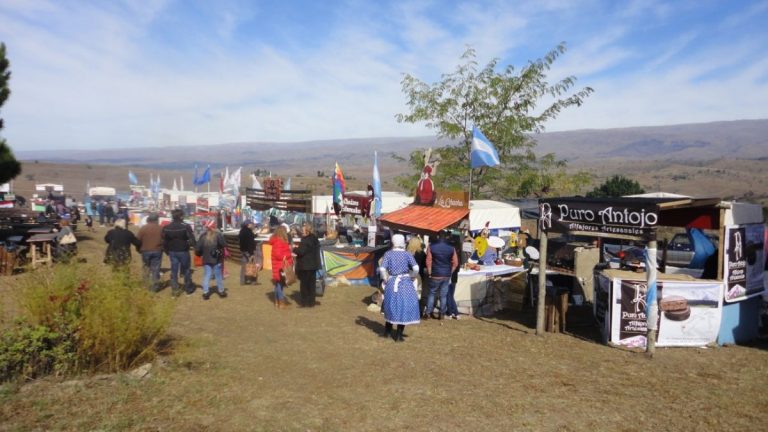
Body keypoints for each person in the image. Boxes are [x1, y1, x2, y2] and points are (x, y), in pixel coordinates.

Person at [379, 234, 421, 342]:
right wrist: (412, 277)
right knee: (403, 307)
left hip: (392, 282)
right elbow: (416, 268)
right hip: (406, 282)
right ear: (403, 242)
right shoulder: (407, 254)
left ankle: (387, 333)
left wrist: (385, 279)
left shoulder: (388, 254)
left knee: (390, 306)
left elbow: (382, 268)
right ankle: (398, 335)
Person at [425, 230, 459, 320]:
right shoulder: (451, 247)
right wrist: (450, 272)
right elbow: (455, 263)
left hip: (435, 273)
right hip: (446, 274)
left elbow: (428, 261)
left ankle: (428, 313)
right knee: (443, 295)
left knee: (432, 293)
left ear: (438, 236)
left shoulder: (431, 246)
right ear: (446, 236)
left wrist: (429, 272)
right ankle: (442, 314)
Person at [162, 209, 196, 297]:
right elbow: (192, 239)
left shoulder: (166, 227)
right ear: (181, 216)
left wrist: (167, 251)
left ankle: (175, 290)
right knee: (186, 270)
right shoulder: (185, 226)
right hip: (183, 251)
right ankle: (188, 289)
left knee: (174, 271)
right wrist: (194, 247)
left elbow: (164, 242)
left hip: (172, 252)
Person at [195, 220, 227, 300]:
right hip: (217, 258)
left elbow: (197, 248)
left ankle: (205, 293)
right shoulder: (218, 235)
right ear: (214, 227)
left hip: (206, 258)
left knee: (207, 275)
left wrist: (200, 254)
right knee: (218, 275)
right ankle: (221, 291)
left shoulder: (203, 236)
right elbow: (224, 244)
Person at [294, 222, 321, 307]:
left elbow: (301, 252)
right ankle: (311, 303)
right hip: (313, 265)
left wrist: (294, 249)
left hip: (305, 266)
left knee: (304, 285)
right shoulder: (314, 239)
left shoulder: (306, 240)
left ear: (307, 231)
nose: (302, 232)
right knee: (311, 285)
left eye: (303, 230)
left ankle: (304, 303)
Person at [137, 213, 163, 292]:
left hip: (145, 250)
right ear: (156, 220)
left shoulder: (143, 228)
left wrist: (138, 249)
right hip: (157, 250)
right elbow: (164, 240)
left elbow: (138, 240)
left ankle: (145, 285)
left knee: (146, 267)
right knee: (155, 269)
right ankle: (154, 287)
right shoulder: (161, 228)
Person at [269, 225, 293, 308]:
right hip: (280, 266)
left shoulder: (279, 241)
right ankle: (281, 301)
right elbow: (278, 255)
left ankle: (277, 301)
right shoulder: (279, 241)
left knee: (278, 284)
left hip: (279, 265)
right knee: (279, 284)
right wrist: (289, 255)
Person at [406, 235, 428, 311]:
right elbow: (425, 266)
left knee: (407, 292)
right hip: (418, 275)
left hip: (407, 274)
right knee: (417, 293)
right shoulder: (422, 254)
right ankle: (414, 309)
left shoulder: (406, 253)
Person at [239, 220, 260, 285]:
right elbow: (250, 243)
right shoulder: (249, 232)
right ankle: (253, 281)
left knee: (243, 266)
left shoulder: (242, 231)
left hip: (243, 251)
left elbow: (244, 241)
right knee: (253, 265)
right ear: (248, 225)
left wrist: (255, 235)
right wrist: (251, 253)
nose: (253, 225)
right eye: (251, 224)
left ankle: (242, 281)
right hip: (249, 251)